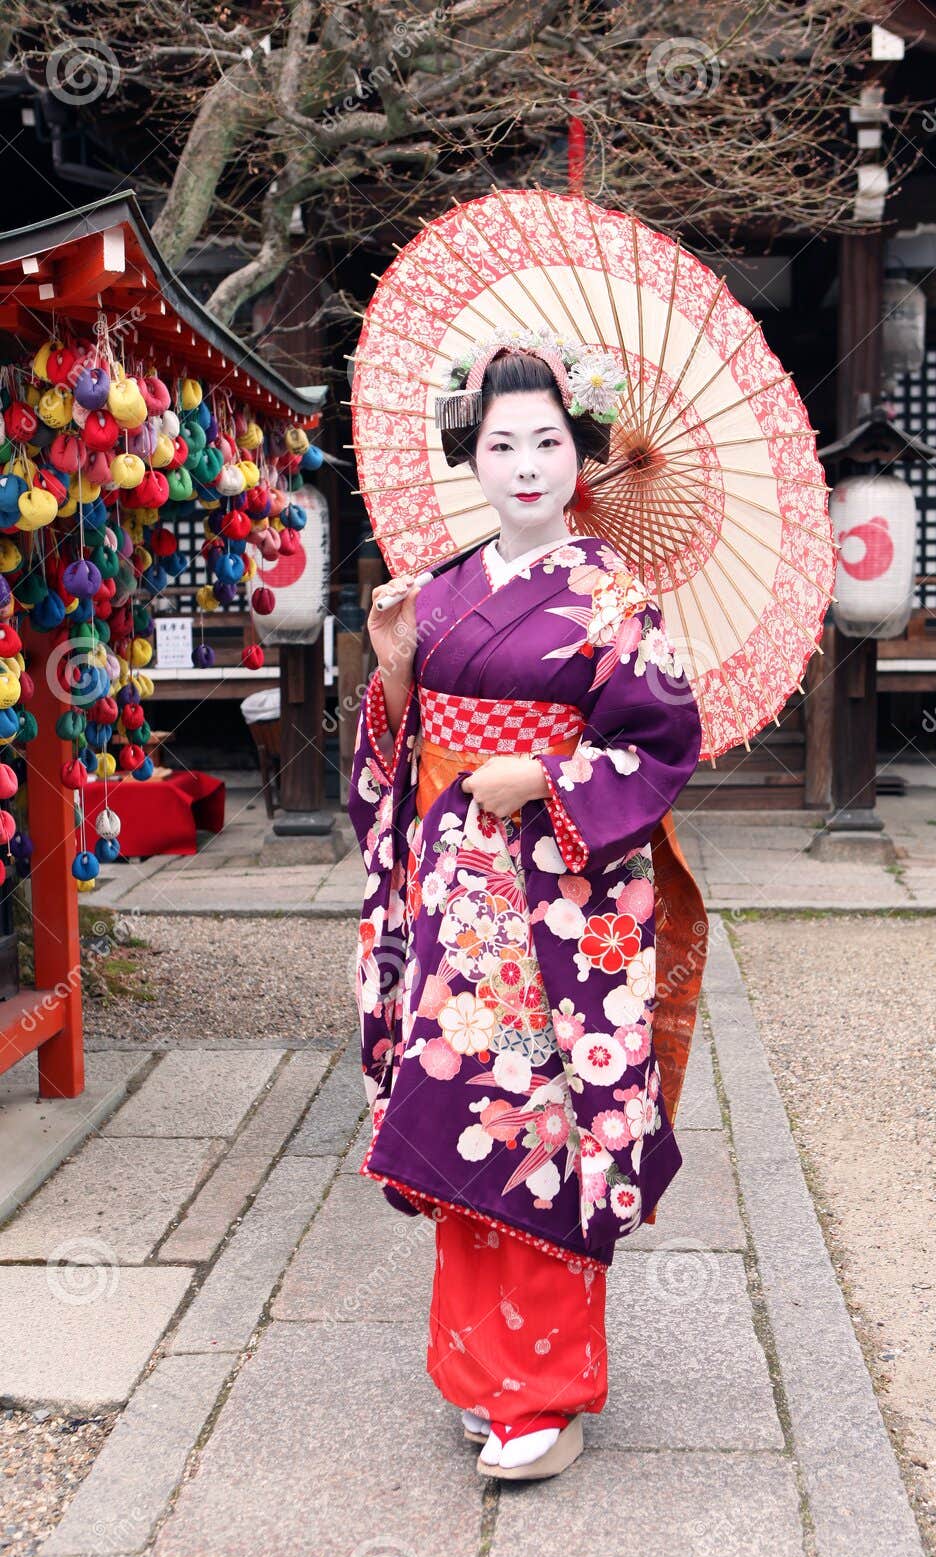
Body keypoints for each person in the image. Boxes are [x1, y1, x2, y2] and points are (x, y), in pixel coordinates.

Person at [347, 328, 707, 1482]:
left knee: (542, 1120)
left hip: (557, 907)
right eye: (501, 442)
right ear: (472, 454)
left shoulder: (616, 598)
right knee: (462, 1109)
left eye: (547, 439)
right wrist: (394, 671)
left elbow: (661, 740)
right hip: (454, 892)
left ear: (579, 454)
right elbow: (392, 758)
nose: (525, 463)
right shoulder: (440, 589)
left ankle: (544, 1390)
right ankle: (476, 1376)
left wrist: (547, 780)